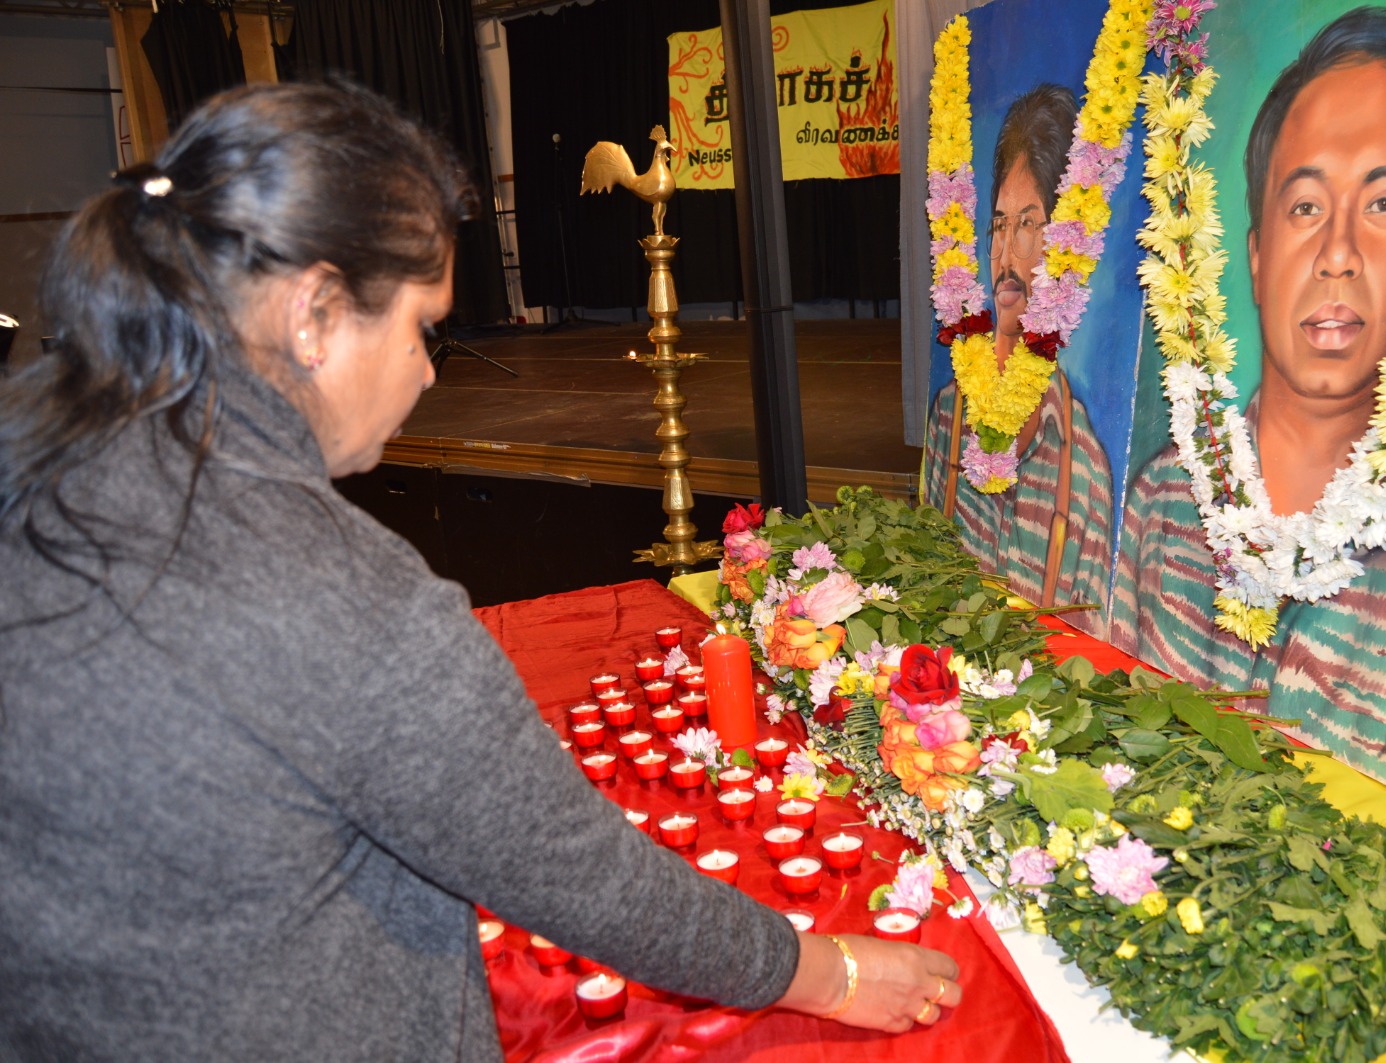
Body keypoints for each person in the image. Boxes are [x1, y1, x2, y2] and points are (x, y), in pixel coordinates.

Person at [0, 82, 959, 1060]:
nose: (427, 371)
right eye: (422, 328)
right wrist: (826, 972)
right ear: (315, 313)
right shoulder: (337, 596)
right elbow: (578, 873)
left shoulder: (43, 469)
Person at [1110, 7, 1386, 842]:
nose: (1338, 253)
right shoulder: (1162, 504)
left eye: (1383, 203)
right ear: (1254, 257)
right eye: (1305, 206)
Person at [922, 84, 1114, 628]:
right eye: (1000, 225)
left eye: (1029, 225)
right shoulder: (948, 416)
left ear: (1068, 250)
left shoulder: (1085, 469)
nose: (1006, 255)